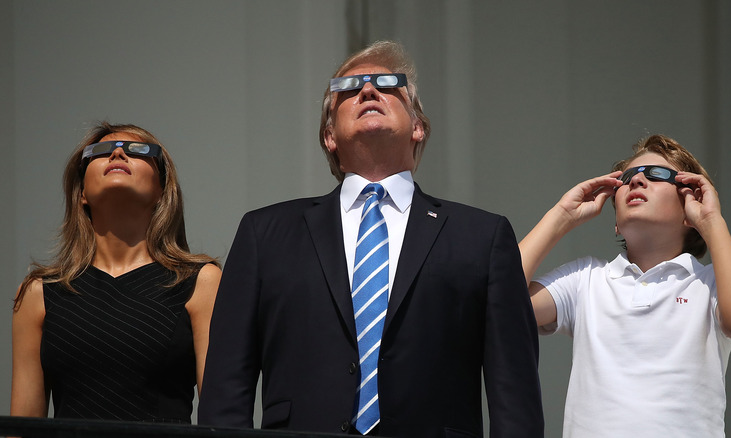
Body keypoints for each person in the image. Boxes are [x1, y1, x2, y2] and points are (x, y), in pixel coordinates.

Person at [198, 41, 544, 437]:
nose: (367, 91)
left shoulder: (482, 237)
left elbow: (514, 396)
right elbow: (226, 388)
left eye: (386, 83)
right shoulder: (266, 234)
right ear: (329, 135)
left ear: (418, 126)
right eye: (348, 88)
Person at [518, 134, 731, 437]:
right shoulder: (585, 279)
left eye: (658, 174)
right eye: (627, 178)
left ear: (690, 208)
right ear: (615, 222)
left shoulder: (709, 284)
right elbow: (500, 301)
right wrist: (560, 217)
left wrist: (712, 221)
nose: (637, 180)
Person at [11, 122, 222, 423]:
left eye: (138, 150)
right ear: (82, 191)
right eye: (99, 151)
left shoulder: (200, 282)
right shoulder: (38, 292)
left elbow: (219, 417)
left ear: (162, 189)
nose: (118, 153)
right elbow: (23, 426)